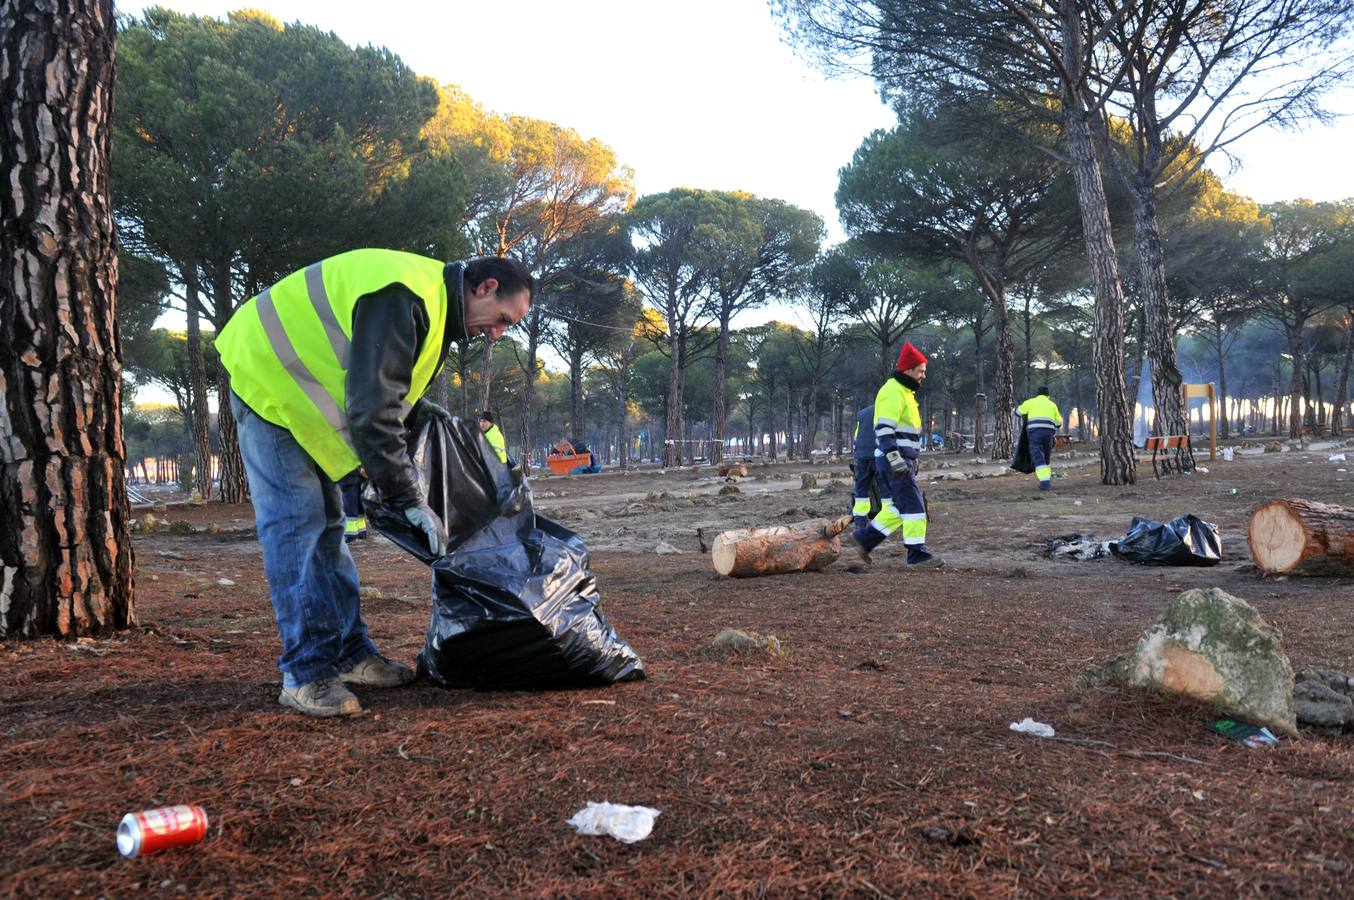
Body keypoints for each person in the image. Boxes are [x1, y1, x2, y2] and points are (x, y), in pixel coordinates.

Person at [215, 249, 536, 717]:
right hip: (268, 379)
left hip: (298, 393)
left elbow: (389, 391)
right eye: (503, 318)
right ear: (485, 287)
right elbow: (371, 411)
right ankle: (305, 673)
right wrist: (407, 498)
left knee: (328, 528)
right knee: (299, 526)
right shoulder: (405, 295)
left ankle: (348, 653)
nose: (497, 332)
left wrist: (426, 415)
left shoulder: (433, 308)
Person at [853, 342, 943, 567]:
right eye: (921, 371)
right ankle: (917, 554)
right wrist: (895, 458)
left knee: (896, 508)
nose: (923, 376)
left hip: (901, 460)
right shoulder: (893, 391)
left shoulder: (905, 392)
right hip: (895, 460)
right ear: (909, 370)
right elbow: (883, 428)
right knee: (914, 507)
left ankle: (863, 540)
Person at [1017, 386, 1063, 491]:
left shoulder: (1031, 402)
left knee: (1038, 457)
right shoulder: (1052, 405)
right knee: (1046, 458)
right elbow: (1059, 423)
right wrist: (1053, 426)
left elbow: (1018, 412)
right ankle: (1047, 479)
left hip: (1035, 433)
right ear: (1048, 395)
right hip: (1049, 434)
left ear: (1037, 394)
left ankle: (1045, 483)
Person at [850, 403, 879, 530]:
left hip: (862, 456)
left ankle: (859, 522)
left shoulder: (862, 413)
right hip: (880, 454)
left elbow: (856, 435)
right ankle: (884, 521)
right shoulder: (889, 410)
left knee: (861, 490)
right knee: (886, 490)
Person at [339, 471, 367, 543]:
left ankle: (351, 535)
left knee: (350, 505)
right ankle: (361, 532)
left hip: (348, 476)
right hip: (356, 475)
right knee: (357, 503)